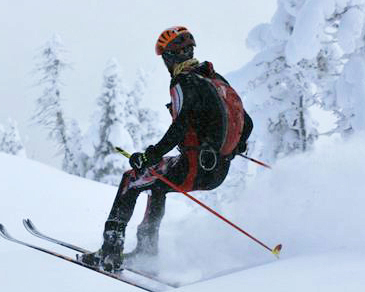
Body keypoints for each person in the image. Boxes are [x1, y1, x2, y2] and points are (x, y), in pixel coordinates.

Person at [80, 26, 253, 272]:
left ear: (171, 58)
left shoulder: (184, 81)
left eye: (165, 58)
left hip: (195, 167)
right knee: (156, 184)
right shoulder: (214, 79)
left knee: (131, 180)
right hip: (218, 170)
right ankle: (147, 251)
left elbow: (180, 126)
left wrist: (150, 155)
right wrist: (232, 146)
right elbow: (248, 122)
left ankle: (110, 252)